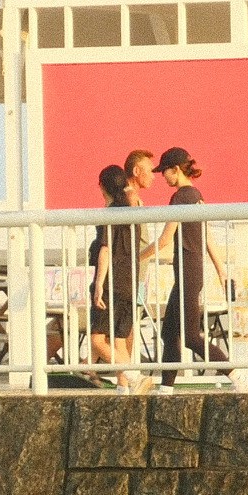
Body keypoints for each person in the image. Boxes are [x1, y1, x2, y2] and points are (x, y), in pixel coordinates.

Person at [156, 147, 216, 381]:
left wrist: (138, 256)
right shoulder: (197, 195)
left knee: (190, 337)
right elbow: (207, 235)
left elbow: (164, 239)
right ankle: (166, 388)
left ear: (176, 169)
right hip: (191, 270)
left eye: (165, 172)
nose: (163, 177)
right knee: (169, 333)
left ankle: (236, 373)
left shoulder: (180, 197)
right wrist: (220, 269)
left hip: (187, 271)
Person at [83, 164, 140, 388]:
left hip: (112, 282)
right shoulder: (132, 212)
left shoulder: (111, 213)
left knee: (97, 339)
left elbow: (105, 249)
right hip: (129, 281)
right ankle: (124, 388)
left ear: (102, 186)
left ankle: (136, 377)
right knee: (119, 342)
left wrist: (98, 283)